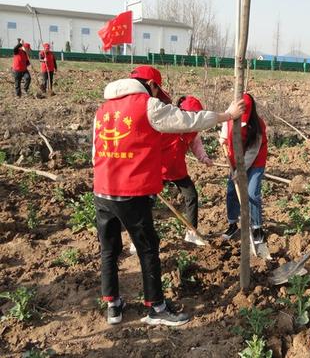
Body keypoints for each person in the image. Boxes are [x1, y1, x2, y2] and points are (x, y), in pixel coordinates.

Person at [93, 65, 245, 326]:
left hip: (102, 190)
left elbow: (95, 151)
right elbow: (189, 120)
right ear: (151, 85)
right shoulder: (147, 105)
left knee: (109, 250)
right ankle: (157, 308)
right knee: (148, 249)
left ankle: (114, 306)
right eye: (156, 89)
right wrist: (227, 115)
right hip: (131, 191)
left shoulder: (103, 109)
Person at [161, 95, 214, 246]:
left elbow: (197, 145)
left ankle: (192, 233)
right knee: (146, 202)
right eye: (191, 115)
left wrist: (204, 158)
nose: (193, 119)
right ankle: (138, 239)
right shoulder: (167, 124)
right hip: (160, 169)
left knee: (191, 196)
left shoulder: (193, 130)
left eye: (196, 115)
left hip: (177, 169)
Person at [219, 93, 268, 244]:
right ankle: (233, 224)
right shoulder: (230, 115)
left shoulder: (258, 126)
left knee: (251, 193)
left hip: (255, 160)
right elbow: (225, 127)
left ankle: (257, 227)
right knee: (232, 191)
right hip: (235, 157)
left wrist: (240, 171)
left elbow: (252, 153)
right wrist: (223, 138)